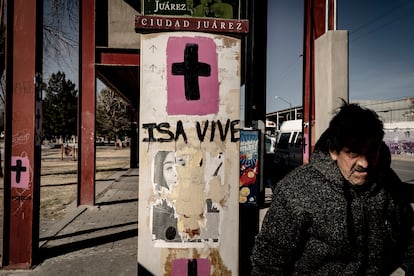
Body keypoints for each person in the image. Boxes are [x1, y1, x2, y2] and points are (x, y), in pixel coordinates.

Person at [251, 101, 414, 275]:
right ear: (333, 150)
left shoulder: (388, 182)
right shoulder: (297, 189)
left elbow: (409, 239)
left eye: (372, 151)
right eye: (353, 152)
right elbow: (268, 263)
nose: (364, 163)